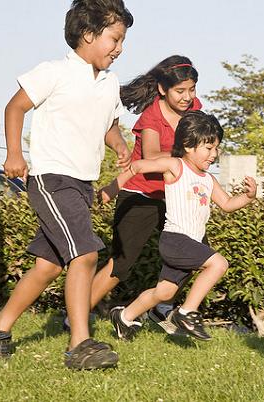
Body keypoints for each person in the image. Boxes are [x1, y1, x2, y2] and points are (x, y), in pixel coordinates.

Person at [0, 0, 133, 370]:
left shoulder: (110, 83)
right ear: (88, 35)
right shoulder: (54, 72)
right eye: (114, 38)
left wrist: (120, 144)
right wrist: (15, 154)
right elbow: (15, 107)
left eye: (123, 40)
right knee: (85, 254)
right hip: (51, 179)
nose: (120, 48)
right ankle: (80, 344)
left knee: (48, 266)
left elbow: (108, 123)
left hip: (82, 183)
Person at [100, 111, 257, 342]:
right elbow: (139, 166)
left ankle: (124, 316)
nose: (214, 154)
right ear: (188, 145)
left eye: (216, 149)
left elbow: (227, 204)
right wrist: (115, 187)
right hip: (175, 240)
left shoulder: (208, 179)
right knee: (219, 263)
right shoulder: (175, 166)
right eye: (208, 148)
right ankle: (187, 313)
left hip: (190, 243)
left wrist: (248, 197)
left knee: (165, 292)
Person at [83, 55, 201, 335]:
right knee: (121, 263)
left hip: (174, 196)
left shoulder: (195, 108)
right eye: (180, 91)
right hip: (141, 194)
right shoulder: (152, 115)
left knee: (198, 253)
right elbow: (151, 155)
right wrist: (186, 154)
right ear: (163, 89)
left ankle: (162, 307)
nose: (188, 97)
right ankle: (75, 314)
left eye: (192, 89)